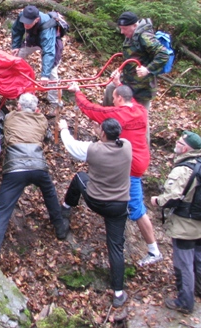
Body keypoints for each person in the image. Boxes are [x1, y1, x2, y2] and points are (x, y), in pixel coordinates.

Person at [67, 82, 162, 267]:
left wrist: (77, 92)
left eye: (114, 97)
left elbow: (93, 110)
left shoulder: (119, 114)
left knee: (137, 209)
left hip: (132, 165)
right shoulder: (140, 109)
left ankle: (153, 250)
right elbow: (130, 98)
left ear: (119, 98)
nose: (112, 100)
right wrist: (119, 83)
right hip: (141, 158)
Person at [0, 93, 68, 261]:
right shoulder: (42, 119)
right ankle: (60, 227)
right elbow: (48, 138)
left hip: (14, 168)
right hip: (38, 166)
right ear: (36, 109)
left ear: (18, 106)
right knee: (50, 193)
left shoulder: (10, 117)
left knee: (2, 211)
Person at [59, 117, 132, 308]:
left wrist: (63, 129)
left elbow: (72, 146)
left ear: (104, 133)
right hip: (119, 205)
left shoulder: (93, 150)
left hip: (97, 201)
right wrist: (100, 134)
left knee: (79, 178)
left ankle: (66, 207)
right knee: (115, 247)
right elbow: (107, 143)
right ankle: (118, 292)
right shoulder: (126, 146)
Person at [150, 130, 201, 314]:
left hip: (185, 226)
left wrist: (156, 201)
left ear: (185, 148)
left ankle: (185, 302)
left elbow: (172, 197)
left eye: (178, 141)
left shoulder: (183, 169)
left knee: (184, 264)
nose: (175, 143)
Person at [104, 11, 169, 116]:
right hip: (129, 81)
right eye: (121, 28)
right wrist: (120, 70)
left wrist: (148, 69)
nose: (122, 32)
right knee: (111, 89)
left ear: (135, 25)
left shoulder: (144, 36)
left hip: (142, 86)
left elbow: (163, 54)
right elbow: (133, 56)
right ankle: (107, 123)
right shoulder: (132, 35)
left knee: (140, 116)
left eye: (124, 29)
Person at [11, 5, 61, 105]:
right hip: (33, 39)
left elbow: (49, 52)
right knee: (16, 57)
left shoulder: (47, 27)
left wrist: (44, 75)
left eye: (28, 23)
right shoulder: (23, 16)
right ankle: (12, 84)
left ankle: (55, 102)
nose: (25, 25)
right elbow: (17, 29)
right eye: (24, 21)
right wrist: (15, 46)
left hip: (51, 44)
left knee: (52, 73)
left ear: (37, 19)